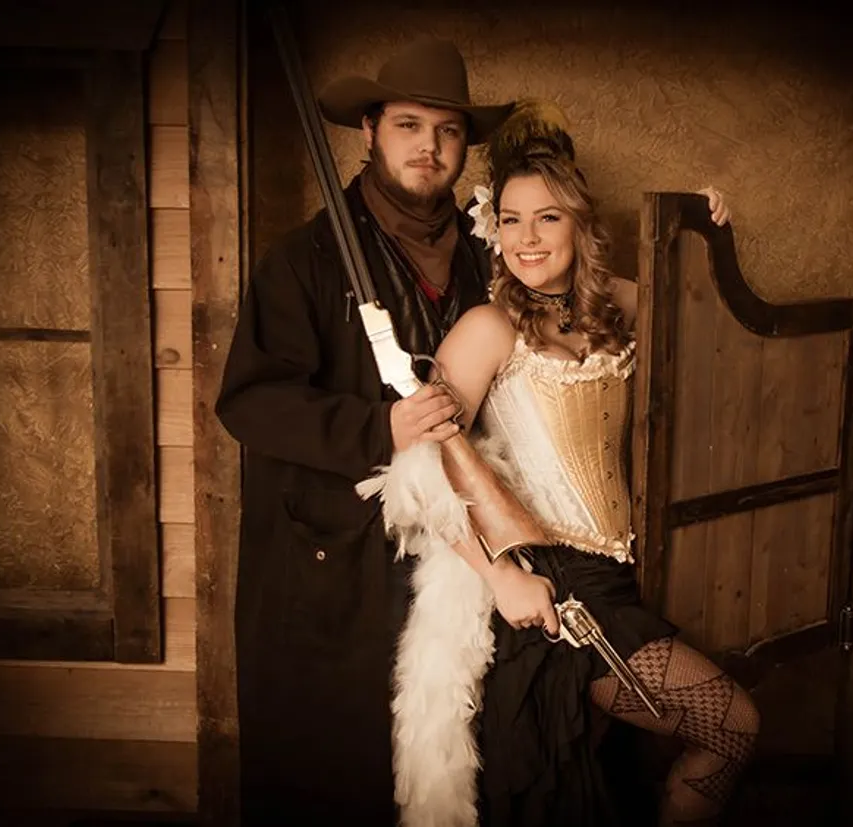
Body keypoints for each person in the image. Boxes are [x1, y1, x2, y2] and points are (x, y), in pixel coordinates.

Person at [358, 102, 758, 827]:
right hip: (554, 591)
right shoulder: (488, 328)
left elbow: (715, 328)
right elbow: (420, 468)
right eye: (510, 219)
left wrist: (714, 235)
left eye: (547, 218)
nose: (526, 238)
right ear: (493, 227)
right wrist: (499, 574)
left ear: (580, 222)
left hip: (624, 576)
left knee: (622, 784)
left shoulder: (624, 307)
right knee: (730, 726)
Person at [214, 37, 515, 826]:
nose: (430, 147)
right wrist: (377, 424)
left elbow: (581, 289)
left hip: (459, 553)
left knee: (451, 764)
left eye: (447, 131)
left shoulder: (495, 254)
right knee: (336, 770)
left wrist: (703, 220)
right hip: (331, 559)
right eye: (410, 125)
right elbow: (248, 401)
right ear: (371, 130)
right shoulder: (304, 259)